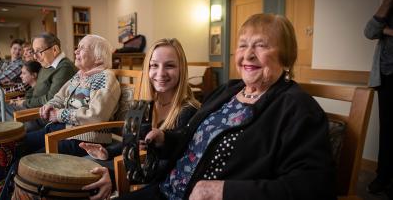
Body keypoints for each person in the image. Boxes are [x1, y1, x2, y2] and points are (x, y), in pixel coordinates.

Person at [83, 14, 337, 200]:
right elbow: (194, 138)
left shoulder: (297, 107)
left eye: (260, 45)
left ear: (286, 54)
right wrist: (165, 140)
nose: (247, 55)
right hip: (165, 189)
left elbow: (315, 186)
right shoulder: (229, 90)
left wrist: (225, 191)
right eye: (243, 45)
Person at [79, 38, 201, 198]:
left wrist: (115, 176)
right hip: (138, 171)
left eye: (170, 65)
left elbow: (170, 165)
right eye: (154, 65)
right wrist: (107, 152)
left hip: (163, 182)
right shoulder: (142, 105)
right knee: (84, 173)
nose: (160, 73)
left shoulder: (189, 111)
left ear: (181, 69)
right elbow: (134, 143)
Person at [23, 34, 121, 157]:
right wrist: (50, 105)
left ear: (98, 58)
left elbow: (96, 115)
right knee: (19, 144)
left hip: (84, 138)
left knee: (31, 158)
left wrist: (59, 115)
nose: (76, 51)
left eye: (82, 48)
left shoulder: (105, 78)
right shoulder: (80, 75)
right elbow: (60, 96)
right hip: (62, 129)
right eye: (77, 47)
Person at [0, 32, 76, 130]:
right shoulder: (48, 64)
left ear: (55, 49)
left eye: (39, 52)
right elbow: (35, 88)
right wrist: (23, 100)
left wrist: (25, 102)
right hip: (30, 107)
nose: (35, 57)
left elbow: (51, 99)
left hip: (39, 115)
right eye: (34, 52)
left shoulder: (64, 67)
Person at [364, 0, 393, 196]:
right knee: (388, 131)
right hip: (387, 78)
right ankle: (383, 176)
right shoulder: (388, 7)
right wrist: (389, 0)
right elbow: (369, 31)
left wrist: (387, 31)